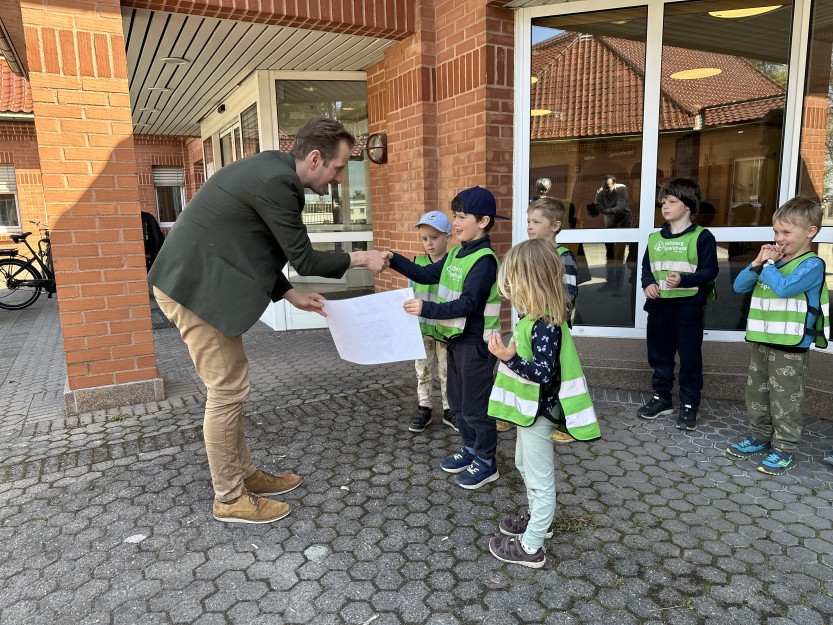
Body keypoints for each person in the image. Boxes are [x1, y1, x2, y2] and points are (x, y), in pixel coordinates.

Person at [148, 117, 389, 524]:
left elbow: (254, 245)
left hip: (199, 284)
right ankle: (229, 498)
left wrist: (290, 294)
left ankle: (244, 475)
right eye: (338, 167)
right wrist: (362, 257)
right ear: (315, 158)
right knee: (227, 391)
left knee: (232, 387)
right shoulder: (279, 184)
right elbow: (306, 259)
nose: (338, 178)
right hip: (195, 290)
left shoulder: (269, 170)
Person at [486, 239, 600, 568]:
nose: (508, 290)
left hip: (540, 414)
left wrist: (508, 358)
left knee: (539, 479)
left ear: (530, 282)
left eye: (512, 282)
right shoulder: (533, 319)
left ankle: (532, 545)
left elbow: (541, 373)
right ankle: (539, 519)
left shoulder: (546, 325)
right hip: (530, 413)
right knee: (523, 465)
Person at [386, 186, 506, 490]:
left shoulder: (484, 260)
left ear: (483, 221)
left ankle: (486, 461)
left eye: (462, 217)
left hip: (477, 344)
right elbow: (426, 275)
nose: (455, 222)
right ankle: (469, 449)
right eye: (455, 216)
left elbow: (469, 304)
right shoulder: (456, 252)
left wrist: (427, 308)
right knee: (458, 400)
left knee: (476, 407)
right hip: (456, 340)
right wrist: (392, 259)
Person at [726, 197, 828, 475]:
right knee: (756, 393)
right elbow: (739, 286)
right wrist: (759, 262)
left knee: (785, 400)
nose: (778, 238)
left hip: (790, 345)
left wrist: (769, 265)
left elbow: (784, 288)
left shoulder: (812, 264)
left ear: (810, 232)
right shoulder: (772, 262)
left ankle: (784, 449)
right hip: (763, 339)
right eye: (775, 232)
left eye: (786, 232)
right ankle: (760, 437)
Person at [637, 178, 718, 431]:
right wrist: (647, 285)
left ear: (688, 205)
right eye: (663, 202)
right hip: (659, 306)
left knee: (690, 356)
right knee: (659, 355)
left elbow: (710, 271)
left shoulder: (702, 237)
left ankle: (690, 404)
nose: (666, 206)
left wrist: (685, 279)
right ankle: (662, 399)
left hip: (688, 307)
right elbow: (646, 268)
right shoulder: (654, 238)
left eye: (672, 201)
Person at [496, 197, 579, 443]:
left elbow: (569, 296)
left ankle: (565, 420)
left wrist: (548, 319)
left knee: (556, 374)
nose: (530, 226)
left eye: (536, 221)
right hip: (529, 326)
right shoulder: (528, 252)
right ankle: (518, 410)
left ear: (555, 225)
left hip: (551, 327)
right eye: (528, 221)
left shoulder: (564, 257)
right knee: (523, 367)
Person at [409, 210, 455, 433]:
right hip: (422, 330)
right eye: (424, 238)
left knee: (447, 372)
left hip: (446, 330)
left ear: (448, 236)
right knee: (423, 371)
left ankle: (449, 409)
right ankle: (424, 408)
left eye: (434, 237)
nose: (429, 243)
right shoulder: (416, 263)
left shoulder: (454, 264)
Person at [591, 175, 632, 292]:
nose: (605, 190)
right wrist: (595, 209)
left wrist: (604, 211)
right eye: (604, 187)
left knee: (619, 256)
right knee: (609, 254)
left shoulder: (622, 189)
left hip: (623, 221)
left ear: (614, 184)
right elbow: (596, 206)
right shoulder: (600, 191)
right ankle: (609, 283)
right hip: (609, 222)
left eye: (608, 188)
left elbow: (620, 207)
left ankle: (618, 287)